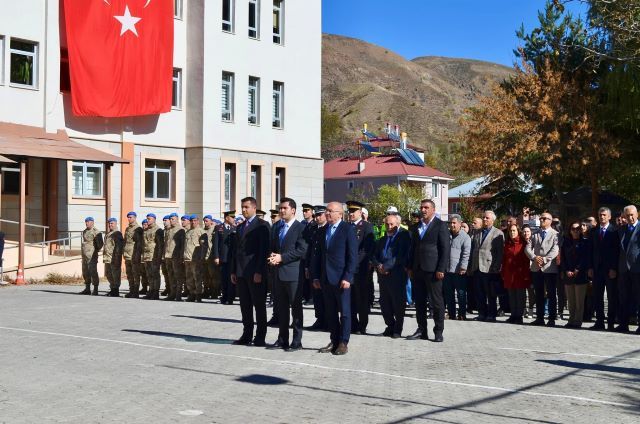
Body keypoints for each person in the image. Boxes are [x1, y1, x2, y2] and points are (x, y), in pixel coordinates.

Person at [312, 201, 357, 355]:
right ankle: (334, 339)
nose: (328, 213)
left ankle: (343, 342)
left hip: (341, 279)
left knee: (344, 312)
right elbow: (317, 255)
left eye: (331, 211)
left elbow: (352, 256)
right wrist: (316, 276)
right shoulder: (323, 230)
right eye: (327, 211)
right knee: (330, 312)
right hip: (325, 279)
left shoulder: (348, 229)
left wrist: (348, 277)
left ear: (340, 213)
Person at [266, 197, 308, 351]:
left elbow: (301, 250)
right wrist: (272, 257)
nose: (281, 211)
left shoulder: (301, 228)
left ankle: (297, 341)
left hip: (293, 274)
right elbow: (273, 247)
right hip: (277, 273)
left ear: (293, 210)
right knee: (281, 308)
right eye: (280, 208)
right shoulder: (277, 226)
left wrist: (281, 258)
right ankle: (282, 339)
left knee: (296, 308)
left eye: (284, 208)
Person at [407, 199, 450, 342]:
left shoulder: (440, 225)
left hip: (433, 270)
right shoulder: (415, 227)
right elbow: (411, 248)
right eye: (421, 207)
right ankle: (422, 330)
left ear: (433, 209)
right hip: (417, 269)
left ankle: (438, 331)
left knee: (437, 302)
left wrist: (441, 268)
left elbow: (445, 249)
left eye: (426, 207)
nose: (423, 210)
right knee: (419, 302)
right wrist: (410, 267)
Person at [231, 197, 271, 346]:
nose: (244, 210)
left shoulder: (262, 225)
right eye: (242, 207)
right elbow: (236, 251)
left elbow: (263, 250)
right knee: (245, 305)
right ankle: (246, 334)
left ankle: (260, 337)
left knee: (259, 305)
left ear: (254, 208)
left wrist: (260, 271)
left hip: (255, 272)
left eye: (247, 207)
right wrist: (234, 271)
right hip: (241, 272)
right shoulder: (240, 227)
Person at [373, 214, 411, 337]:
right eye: (387, 224)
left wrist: (387, 267)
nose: (389, 227)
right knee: (385, 303)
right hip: (383, 276)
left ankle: (397, 329)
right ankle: (390, 325)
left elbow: (400, 255)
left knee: (398, 303)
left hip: (397, 274)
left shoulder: (404, 236)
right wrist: (379, 266)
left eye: (392, 224)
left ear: (398, 224)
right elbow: (374, 255)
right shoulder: (383, 239)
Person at [525, 212, 560, 327]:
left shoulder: (556, 234)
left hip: (549, 268)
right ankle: (539, 318)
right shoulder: (535, 234)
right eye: (540, 218)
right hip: (536, 268)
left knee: (551, 294)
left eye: (544, 218)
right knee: (538, 294)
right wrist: (534, 257)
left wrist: (544, 259)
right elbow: (527, 248)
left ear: (550, 220)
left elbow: (555, 250)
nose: (541, 220)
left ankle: (551, 318)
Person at [588, 207, 620, 331]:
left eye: (604, 215)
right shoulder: (594, 231)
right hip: (597, 269)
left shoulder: (614, 231)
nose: (602, 217)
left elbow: (616, 251)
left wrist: (613, 268)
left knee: (611, 297)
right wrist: (590, 267)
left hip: (609, 270)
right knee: (597, 296)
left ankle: (611, 322)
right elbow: (590, 250)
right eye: (600, 215)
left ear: (609, 217)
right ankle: (599, 321)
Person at [346, 200, 375, 335]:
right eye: (349, 211)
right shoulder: (345, 226)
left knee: (361, 298)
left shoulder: (366, 226)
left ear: (360, 212)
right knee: (349, 298)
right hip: (346, 270)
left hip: (360, 269)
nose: (351, 214)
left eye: (353, 211)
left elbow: (366, 249)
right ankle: (352, 324)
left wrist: (354, 263)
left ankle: (362, 325)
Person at [469, 210, 504, 322]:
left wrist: (496, 266)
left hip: (489, 268)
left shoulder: (498, 233)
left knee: (491, 294)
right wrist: (470, 266)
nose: (484, 219)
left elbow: (500, 252)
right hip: (477, 267)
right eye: (483, 217)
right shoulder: (477, 232)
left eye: (487, 218)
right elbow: (473, 249)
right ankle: (481, 313)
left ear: (492, 220)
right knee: (479, 293)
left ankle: (491, 314)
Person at [616, 205, 640, 334]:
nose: (630, 217)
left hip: (637, 269)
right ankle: (623, 324)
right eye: (627, 215)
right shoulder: (621, 230)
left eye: (632, 214)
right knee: (623, 297)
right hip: (624, 269)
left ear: (637, 214)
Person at [562, 222, 591, 328]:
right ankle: (571, 319)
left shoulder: (585, 242)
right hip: (568, 274)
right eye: (573, 229)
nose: (575, 231)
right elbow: (563, 258)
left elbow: (585, 258)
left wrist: (577, 269)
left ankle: (578, 321)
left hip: (580, 274)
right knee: (571, 300)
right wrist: (566, 270)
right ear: (570, 231)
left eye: (577, 229)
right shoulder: (566, 242)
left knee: (579, 301)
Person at [501, 224, 531, 324]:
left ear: (518, 232)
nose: (512, 233)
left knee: (520, 296)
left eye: (514, 231)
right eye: (510, 231)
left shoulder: (523, 244)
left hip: (520, 274)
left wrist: (526, 275)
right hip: (509, 274)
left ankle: (519, 316)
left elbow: (526, 262)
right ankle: (513, 315)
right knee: (512, 296)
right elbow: (504, 260)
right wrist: (503, 273)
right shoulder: (508, 244)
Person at [444, 214, 471, 320]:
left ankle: (462, 314)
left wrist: (463, 267)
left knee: (461, 294)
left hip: (459, 270)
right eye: (450, 223)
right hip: (447, 270)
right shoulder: (446, 235)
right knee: (449, 293)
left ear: (460, 224)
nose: (452, 225)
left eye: (454, 223)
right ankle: (451, 313)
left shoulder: (465, 237)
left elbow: (466, 253)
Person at [305, 205, 327, 331]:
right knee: (317, 296)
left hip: (323, 268)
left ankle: (327, 321)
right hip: (314, 267)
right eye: (315, 215)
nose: (317, 217)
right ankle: (319, 319)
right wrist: (307, 266)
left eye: (320, 215)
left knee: (325, 296)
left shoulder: (328, 229)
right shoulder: (313, 229)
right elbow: (310, 249)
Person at [215, 211, 237, 305]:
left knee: (231, 279)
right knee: (224, 279)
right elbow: (216, 243)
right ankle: (224, 297)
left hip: (232, 257)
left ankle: (230, 298)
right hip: (223, 258)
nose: (233, 219)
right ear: (227, 218)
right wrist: (216, 256)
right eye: (232, 217)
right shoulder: (219, 228)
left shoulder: (235, 228)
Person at [163, 213, 186, 301]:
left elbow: (182, 245)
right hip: (168, 256)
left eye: (173, 219)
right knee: (170, 276)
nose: (171, 220)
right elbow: (166, 243)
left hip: (176, 256)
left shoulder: (180, 230)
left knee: (178, 276)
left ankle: (178, 294)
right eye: (170, 219)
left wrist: (181, 257)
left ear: (177, 219)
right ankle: (172, 293)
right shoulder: (169, 230)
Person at [141, 213, 163, 300]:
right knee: (149, 275)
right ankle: (151, 290)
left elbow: (160, 245)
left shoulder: (158, 230)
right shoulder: (146, 230)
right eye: (147, 219)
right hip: (146, 256)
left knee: (155, 274)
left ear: (154, 219)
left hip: (154, 256)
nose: (148, 220)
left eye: (149, 219)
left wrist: (159, 257)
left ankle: (156, 292)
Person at [184, 215, 206, 302]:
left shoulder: (201, 231)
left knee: (197, 277)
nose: (193, 222)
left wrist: (201, 257)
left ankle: (198, 294)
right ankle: (191, 294)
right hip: (187, 258)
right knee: (189, 277)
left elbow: (204, 246)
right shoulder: (188, 232)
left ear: (198, 221)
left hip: (196, 259)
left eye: (195, 220)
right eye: (192, 221)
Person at [79, 217, 103, 295]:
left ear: (92, 222)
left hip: (92, 256)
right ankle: (87, 288)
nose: (86, 223)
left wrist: (94, 251)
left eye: (88, 222)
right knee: (85, 271)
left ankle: (95, 289)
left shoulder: (96, 231)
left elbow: (100, 244)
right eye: (86, 222)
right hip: (85, 255)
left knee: (93, 272)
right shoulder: (85, 231)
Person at [123, 212, 144, 298]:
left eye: (130, 217)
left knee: (135, 274)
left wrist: (137, 255)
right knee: (129, 274)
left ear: (135, 217)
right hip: (127, 254)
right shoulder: (127, 229)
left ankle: (136, 292)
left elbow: (139, 243)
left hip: (134, 254)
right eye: (128, 217)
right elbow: (125, 241)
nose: (129, 219)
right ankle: (131, 290)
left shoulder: (138, 229)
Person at [103, 217, 123, 297]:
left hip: (114, 258)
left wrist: (117, 258)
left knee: (115, 274)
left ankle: (116, 290)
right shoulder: (108, 234)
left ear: (115, 224)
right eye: (109, 223)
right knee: (108, 274)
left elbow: (119, 247)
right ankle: (112, 289)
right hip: (107, 257)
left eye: (112, 223)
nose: (110, 225)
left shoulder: (117, 233)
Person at [300, 203, 316, 304]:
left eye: (307, 211)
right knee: (304, 276)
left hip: (309, 253)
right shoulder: (303, 224)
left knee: (311, 276)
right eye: (304, 211)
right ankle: (305, 295)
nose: (305, 213)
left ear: (312, 212)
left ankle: (311, 297)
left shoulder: (314, 224)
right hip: (303, 254)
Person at [202, 215, 219, 300]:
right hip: (204, 257)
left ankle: (215, 292)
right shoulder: (203, 230)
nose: (205, 222)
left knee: (213, 276)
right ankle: (206, 291)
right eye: (204, 221)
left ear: (211, 221)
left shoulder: (214, 229)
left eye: (207, 221)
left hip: (211, 257)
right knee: (205, 276)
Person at [522, 225, 535, 318]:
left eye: (528, 231)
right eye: (524, 231)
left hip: (532, 269)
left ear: (531, 233)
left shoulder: (534, 242)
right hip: (522, 270)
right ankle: (523, 309)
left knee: (531, 291)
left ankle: (531, 309)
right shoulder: (520, 243)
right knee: (522, 291)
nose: (526, 233)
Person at [160, 215, 172, 296]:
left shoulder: (172, 230)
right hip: (163, 255)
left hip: (170, 256)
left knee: (171, 274)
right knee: (165, 273)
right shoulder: (163, 231)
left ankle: (172, 290)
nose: (164, 222)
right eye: (163, 220)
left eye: (166, 220)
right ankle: (167, 288)